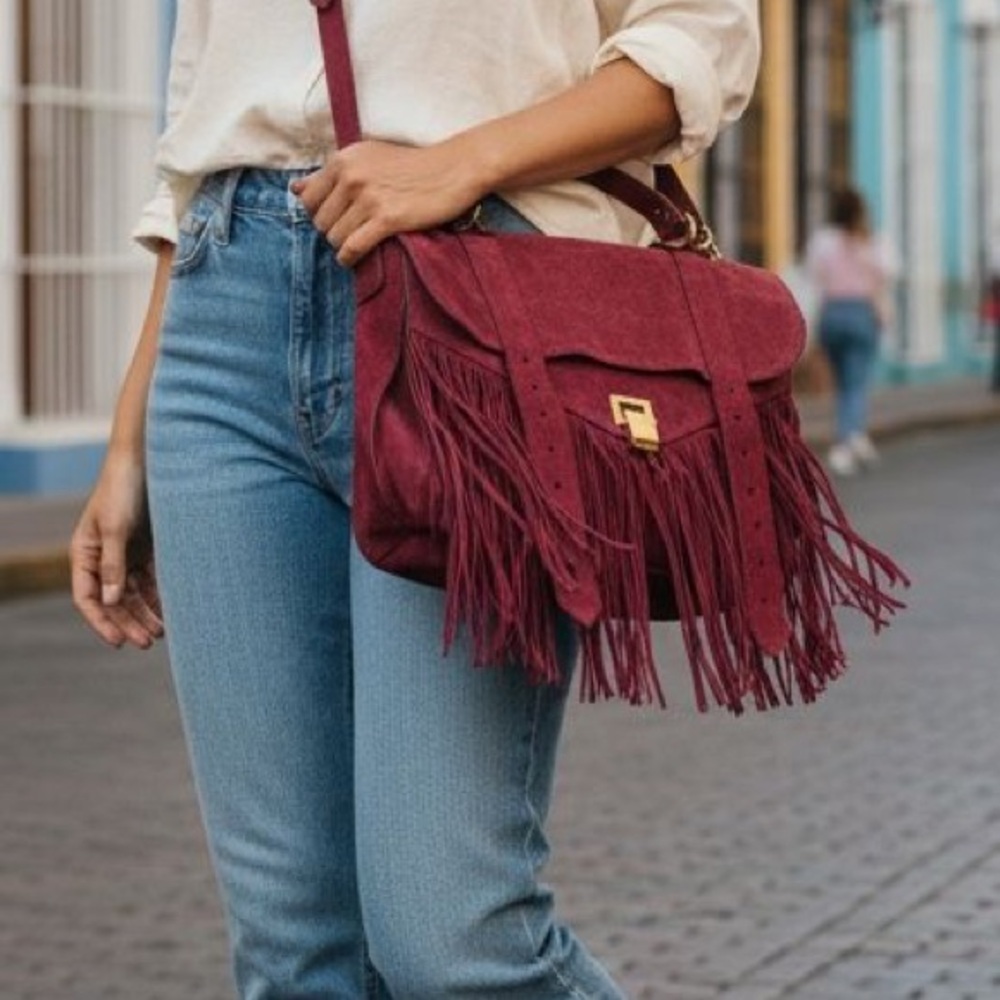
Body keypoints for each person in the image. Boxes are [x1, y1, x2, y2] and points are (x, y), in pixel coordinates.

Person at [69, 2, 760, 997]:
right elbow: (191, 139)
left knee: (455, 942)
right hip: (222, 323)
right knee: (292, 952)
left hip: (476, 309)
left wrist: (461, 162)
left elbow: (697, 39)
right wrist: (130, 435)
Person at [806, 187, 896, 476]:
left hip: (832, 313)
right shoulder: (872, 242)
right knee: (855, 382)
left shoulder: (823, 241)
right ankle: (845, 443)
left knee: (844, 381)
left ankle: (857, 436)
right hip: (861, 313)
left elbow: (815, 278)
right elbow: (884, 278)